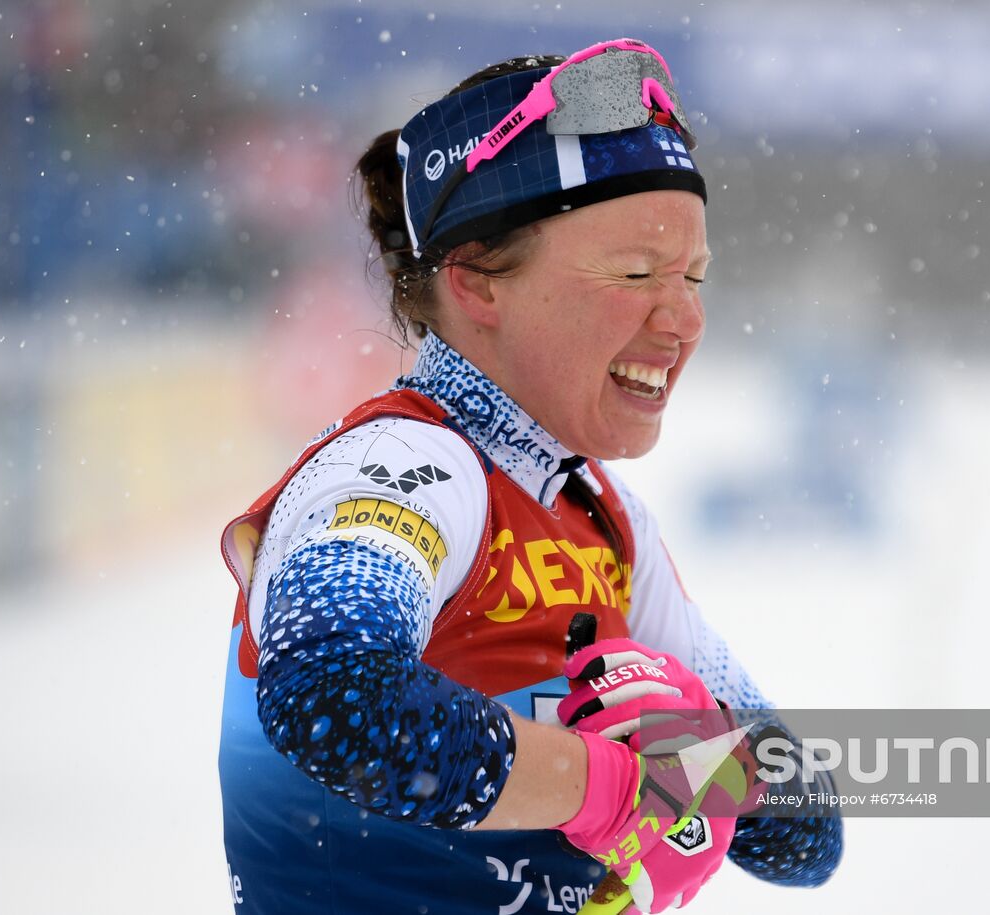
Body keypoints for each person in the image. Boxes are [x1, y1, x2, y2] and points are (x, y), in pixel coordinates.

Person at [218, 39, 841, 914]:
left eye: (694, 276)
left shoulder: (604, 512)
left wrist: (690, 758)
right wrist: (611, 785)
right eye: (635, 273)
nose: (686, 318)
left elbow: (806, 822)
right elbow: (335, 698)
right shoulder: (399, 467)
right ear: (476, 284)